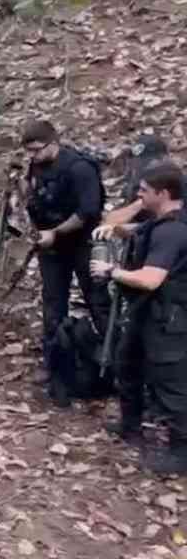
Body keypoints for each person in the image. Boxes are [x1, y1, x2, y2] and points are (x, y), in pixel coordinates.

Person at [91, 163, 187, 474]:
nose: (138, 195)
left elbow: (150, 279)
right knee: (127, 363)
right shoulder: (161, 223)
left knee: (170, 384)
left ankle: (180, 452)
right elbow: (141, 230)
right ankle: (130, 425)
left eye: (144, 190)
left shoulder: (174, 232)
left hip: (168, 319)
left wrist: (112, 272)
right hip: (145, 314)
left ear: (164, 193)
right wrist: (118, 229)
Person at [20, 119, 110, 407]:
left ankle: (113, 362)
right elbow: (35, 199)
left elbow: (87, 212)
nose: (32, 156)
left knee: (97, 301)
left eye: (37, 149)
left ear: (54, 142)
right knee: (52, 303)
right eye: (29, 151)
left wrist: (55, 233)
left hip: (83, 243)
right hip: (52, 245)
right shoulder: (37, 165)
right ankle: (55, 363)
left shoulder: (79, 168)